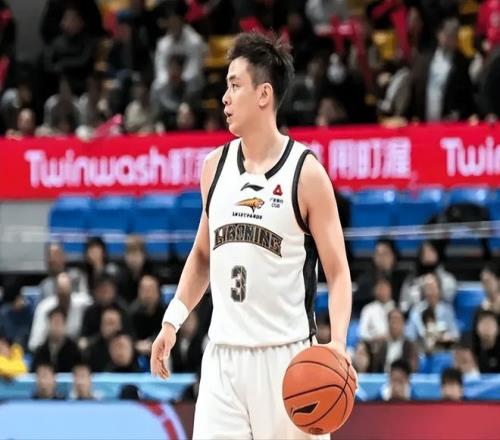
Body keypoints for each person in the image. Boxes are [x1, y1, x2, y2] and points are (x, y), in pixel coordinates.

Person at [151, 32, 354, 439]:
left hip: (289, 360)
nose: (224, 98)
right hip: (223, 358)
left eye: (234, 85)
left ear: (264, 94)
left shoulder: (306, 174)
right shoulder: (214, 167)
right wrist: (172, 321)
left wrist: (337, 344)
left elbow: (338, 273)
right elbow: (203, 256)